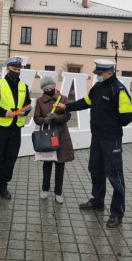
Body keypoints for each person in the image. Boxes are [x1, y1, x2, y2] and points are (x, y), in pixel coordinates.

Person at [57, 59, 132, 228]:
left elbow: (128, 116)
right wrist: (66, 107)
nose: (97, 76)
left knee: (115, 176)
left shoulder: (118, 90)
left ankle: (117, 213)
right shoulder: (98, 88)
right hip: (97, 137)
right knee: (96, 169)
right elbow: (85, 102)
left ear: (109, 72)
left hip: (111, 139)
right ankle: (97, 201)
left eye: (99, 74)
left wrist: (112, 124)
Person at [0, 56, 31, 203]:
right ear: (8, 69)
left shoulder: (24, 86)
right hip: (0, 128)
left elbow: (28, 105)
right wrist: (4, 113)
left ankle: (2, 186)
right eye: (14, 69)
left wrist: (25, 111)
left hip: (15, 129)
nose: (17, 71)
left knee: (10, 160)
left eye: (18, 69)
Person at [34, 76, 74, 204]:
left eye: (51, 87)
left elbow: (68, 115)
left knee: (60, 165)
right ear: (43, 89)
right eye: (46, 89)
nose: (50, 90)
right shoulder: (40, 101)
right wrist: (43, 120)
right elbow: (36, 117)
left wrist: (56, 117)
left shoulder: (63, 99)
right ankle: (45, 189)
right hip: (47, 136)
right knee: (47, 164)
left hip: (61, 135)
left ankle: (58, 192)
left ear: (55, 86)